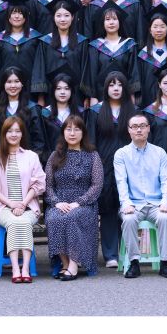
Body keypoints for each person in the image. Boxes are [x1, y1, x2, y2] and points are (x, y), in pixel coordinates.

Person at [113, 112, 167, 278]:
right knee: (128, 219)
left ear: (148, 128)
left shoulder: (160, 153)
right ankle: (134, 263)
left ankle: (165, 263)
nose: (139, 130)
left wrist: (165, 201)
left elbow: (166, 180)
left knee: (165, 218)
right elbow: (121, 182)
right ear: (129, 130)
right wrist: (126, 203)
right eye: (134, 126)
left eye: (142, 126)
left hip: (156, 203)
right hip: (133, 204)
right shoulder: (121, 154)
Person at [0, 116, 45, 283]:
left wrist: (23, 203)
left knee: (23, 222)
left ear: (22, 134)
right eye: (10, 131)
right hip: (3, 207)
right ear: (4, 134)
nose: (14, 134)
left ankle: (25, 267)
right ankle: (15, 268)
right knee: (13, 222)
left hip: (28, 206)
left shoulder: (31, 156)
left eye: (17, 131)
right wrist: (11, 204)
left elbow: (39, 184)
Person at [44, 116, 102, 280]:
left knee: (72, 217)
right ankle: (65, 263)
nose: (72, 133)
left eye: (76, 129)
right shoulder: (55, 156)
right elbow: (48, 185)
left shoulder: (92, 156)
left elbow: (97, 185)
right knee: (54, 218)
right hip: (60, 202)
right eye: (68, 129)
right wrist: (56, 202)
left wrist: (79, 202)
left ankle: (74, 265)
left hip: (85, 204)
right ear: (63, 132)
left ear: (83, 133)